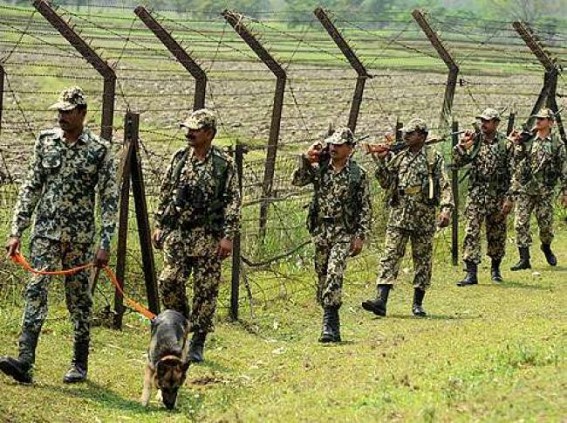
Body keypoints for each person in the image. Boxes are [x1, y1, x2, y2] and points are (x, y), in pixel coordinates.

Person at [1, 86, 118, 384]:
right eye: (59, 111)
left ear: (82, 113)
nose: (61, 116)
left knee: (78, 301)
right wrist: (16, 230)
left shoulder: (99, 150)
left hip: (79, 240)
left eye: (67, 111)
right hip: (45, 234)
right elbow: (31, 187)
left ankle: (79, 363)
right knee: (35, 291)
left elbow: (108, 200)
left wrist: (105, 244)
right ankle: (25, 361)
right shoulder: (46, 142)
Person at [152, 108, 240, 363]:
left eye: (196, 129)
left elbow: (233, 201)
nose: (189, 133)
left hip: (208, 235)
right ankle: (179, 325)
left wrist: (228, 236)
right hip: (179, 233)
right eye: (187, 129)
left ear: (210, 134)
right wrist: (160, 224)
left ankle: (197, 341)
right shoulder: (180, 158)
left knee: (206, 289)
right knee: (169, 281)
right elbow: (166, 191)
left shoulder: (224, 164)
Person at [362, 118, 453, 318]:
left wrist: (446, 209)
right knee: (389, 256)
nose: (406, 136)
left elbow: (444, 184)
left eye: (410, 133)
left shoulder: (433, 158)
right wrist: (380, 160)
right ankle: (381, 301)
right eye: (405, 133)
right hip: (399, 215)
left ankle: (417, 303)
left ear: (421, 136)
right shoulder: (400, 158)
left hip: (423, 217)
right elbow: (386, 182)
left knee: (422, 260)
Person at [292, 127, 371, 343]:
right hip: (321, 230)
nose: (333, 148)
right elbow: (297, 180)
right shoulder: (321, 169)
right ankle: (329, 314)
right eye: (332, 144)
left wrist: (360, 235)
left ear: (350, 149)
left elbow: (365, 207)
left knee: (335, 272)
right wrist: (306, 159)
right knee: (323, 275)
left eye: (339, 145)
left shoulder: (358, 174)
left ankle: (329, 322)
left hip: (344, 231)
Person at [453, 108, 513, 286]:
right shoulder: (476, 141)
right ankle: (471, 273)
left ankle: (495, 269)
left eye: (487, 121)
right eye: (482, 121)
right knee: (471, 232)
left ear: (496, 123)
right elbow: (458, 163)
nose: (483, 124)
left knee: (496, 233)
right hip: (477, 194)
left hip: (497, 194)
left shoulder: (505, 144)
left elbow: (515, 172)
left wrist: (509, 197)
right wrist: (463, 146)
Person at [503, 108, 567, 270]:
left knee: (545, 225)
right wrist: (520, 143)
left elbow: (563, 168)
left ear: (550, 123)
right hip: (526, 189)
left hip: (545, 191)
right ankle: (524, 258)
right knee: (520, 223)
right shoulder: (529, 140)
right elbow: (516, 160)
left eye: (542, 119)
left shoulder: (556, 143)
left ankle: (546, 246)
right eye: (537, 118)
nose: (538, 121)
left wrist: (565, 191)